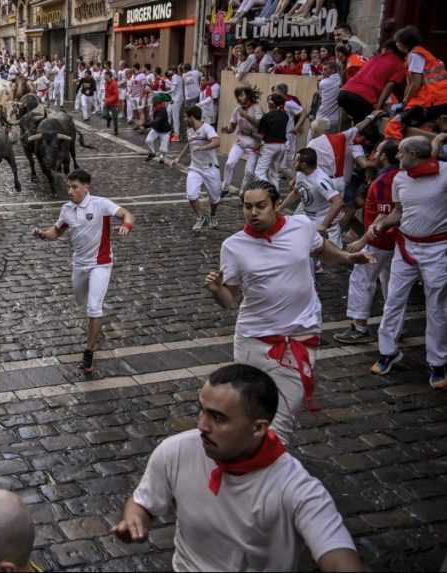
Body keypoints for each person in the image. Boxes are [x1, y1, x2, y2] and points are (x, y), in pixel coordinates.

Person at [112, 364, 364, 572]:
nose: (202, 425)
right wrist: (134, 518)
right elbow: (142, 502)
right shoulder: (175, 451)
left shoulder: (297, 489)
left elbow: (337, 555)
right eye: (202, 411)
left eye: (218, 418)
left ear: (258, 428)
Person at [204, 180, 372, 440]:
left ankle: (265, 471)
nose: (253, 213)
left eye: (261, 206)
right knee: (249, 413)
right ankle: (248, 467)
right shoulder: (233, 246)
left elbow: (322, 251)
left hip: (299, 336)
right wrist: (217, 290)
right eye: (247, 207)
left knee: (280, 420)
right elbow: (230, 301)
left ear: (276, 205)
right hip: (254, 340)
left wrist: (348, 258)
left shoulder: (302, 226)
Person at [32, 170, 135, 374]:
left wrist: (126, 225)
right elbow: (57, 231)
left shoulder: (101, 204)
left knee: (94, 308)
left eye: (74, 187)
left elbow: (126, 213)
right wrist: (43, 234)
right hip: (79, 264)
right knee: (82, 300)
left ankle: (89, 351)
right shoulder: (66, 209)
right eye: (68, 187)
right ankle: (94, 323)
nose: (70, 191)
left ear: (86, 187)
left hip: (101, 263)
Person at [370, 136, 447, 388]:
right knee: (393, 300)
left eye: (401, 152)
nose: (397, 156)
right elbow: (398, 211)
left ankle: (437, 363)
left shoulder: (445, 173)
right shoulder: (400, 178)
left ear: (413, 153)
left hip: (437, 249)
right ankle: (388, 351)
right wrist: (382, 224)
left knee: (436, 306)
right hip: (405, 247)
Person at [334, 139, 399, 345]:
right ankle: (394, 326)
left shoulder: (384, 181)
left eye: (377, 151)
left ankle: (359, 327)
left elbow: (384, 215)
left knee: (362, 279)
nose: (373, 155)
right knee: (390, 283)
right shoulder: (401, 177)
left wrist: (362, 241)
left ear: (385, 157)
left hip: (379, 241)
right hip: (395, 241)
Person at [277, 148, 343, 250]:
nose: (294, 162)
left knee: (331, 259)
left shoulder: (320, 181)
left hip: (324, 223)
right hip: (308, 218)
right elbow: (296, 193)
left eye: (297, 160)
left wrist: (323, 225)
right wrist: (279, 208)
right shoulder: (301, 174)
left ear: (303, 164)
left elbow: (338, 202)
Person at [169, 106, 222, 231]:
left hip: (210, 168)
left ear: (192, 117)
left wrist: (202, 148)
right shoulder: (189, 131)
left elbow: (217, 142)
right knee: (191, 195)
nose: (184, 119)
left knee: (214, 199)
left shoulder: (207, 128)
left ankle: (213, 215)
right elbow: (189, 145)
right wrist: (178, 158)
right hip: (195, 168)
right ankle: (200, 217)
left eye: (186, 117)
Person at [338, 41, 407, 125]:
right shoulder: (399, 64)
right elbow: (388, 87)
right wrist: (378, 108)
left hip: (343, 93)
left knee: (360, 126)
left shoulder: (375, 57)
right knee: (369, 127)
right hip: (362, 97)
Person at [221, 86, 263, 194]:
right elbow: (232, 127)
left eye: (241, 95)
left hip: (254, 143)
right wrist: (227, 130)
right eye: (238, 96)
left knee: (249, 172)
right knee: (229, 163)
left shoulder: (257, 108)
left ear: (248, 95)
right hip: (240, 141)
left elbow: (259, 124)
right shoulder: (237, 109)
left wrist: (246, 116)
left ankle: (243, 193)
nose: (239, 98)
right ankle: (225, 187)